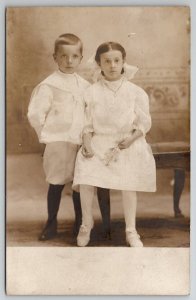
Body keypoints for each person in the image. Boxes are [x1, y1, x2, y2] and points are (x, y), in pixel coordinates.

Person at [27, 34, 111, 241]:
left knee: (80, 183)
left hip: (80, 142)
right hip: (58, 142)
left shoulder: (85, 86)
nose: (69, 61)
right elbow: (35, 114)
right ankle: (51, 223)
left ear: (81, 58)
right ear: (55, 57)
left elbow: (91, 113)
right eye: (64, 56)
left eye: (74, 56)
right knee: (55, 183)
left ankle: (80, 223)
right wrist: (45, 138)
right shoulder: (49, 85)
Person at [73, 41, 156, 247]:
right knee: (86, 174)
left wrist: (130, 139)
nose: (112, 65)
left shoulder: (135, 91)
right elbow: (86, 124)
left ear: (123, 62)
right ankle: (86, 223)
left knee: (128, 182)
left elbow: (143, 123)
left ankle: (131, 230)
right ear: (99, 64)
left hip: (126, 142)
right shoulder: (91, 92)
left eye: (116, 60)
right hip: (99, 141)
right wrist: (87, 143)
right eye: (107, 61)